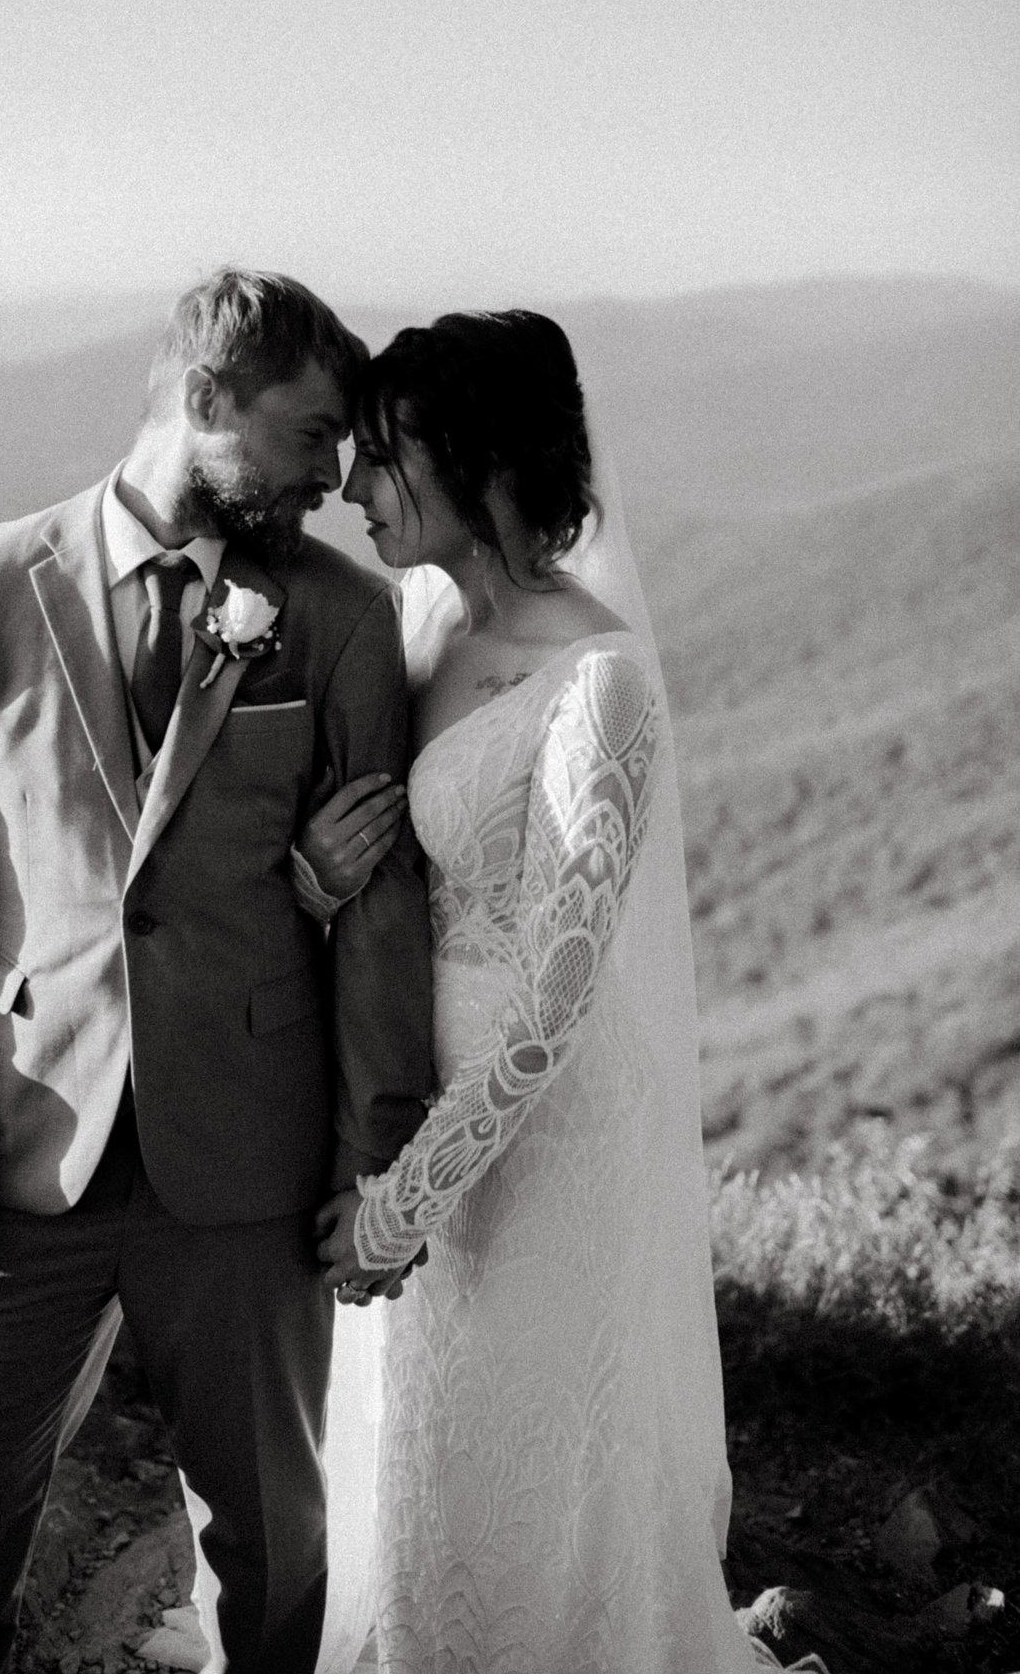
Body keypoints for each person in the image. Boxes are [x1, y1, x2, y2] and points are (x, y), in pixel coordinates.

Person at [0, 269, 434, 1674]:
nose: (329, 477)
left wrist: (374, 1165)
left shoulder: (346, 619)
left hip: (249, 1170)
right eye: (307, 437)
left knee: (270, 1534)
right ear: (203, 401)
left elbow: (378, 921)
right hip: (18, 1157)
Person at [304, 311, 775, 1672]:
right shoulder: (420, 622)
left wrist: (405, 1199)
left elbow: (561, 998)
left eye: (385, 459)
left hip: (548, 1145)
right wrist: (319, 883)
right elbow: (390, 870)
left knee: (524, 1481)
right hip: (410, 1109)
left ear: (483, 460)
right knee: (420, 1467)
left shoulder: (602, 682)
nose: (353, 491)